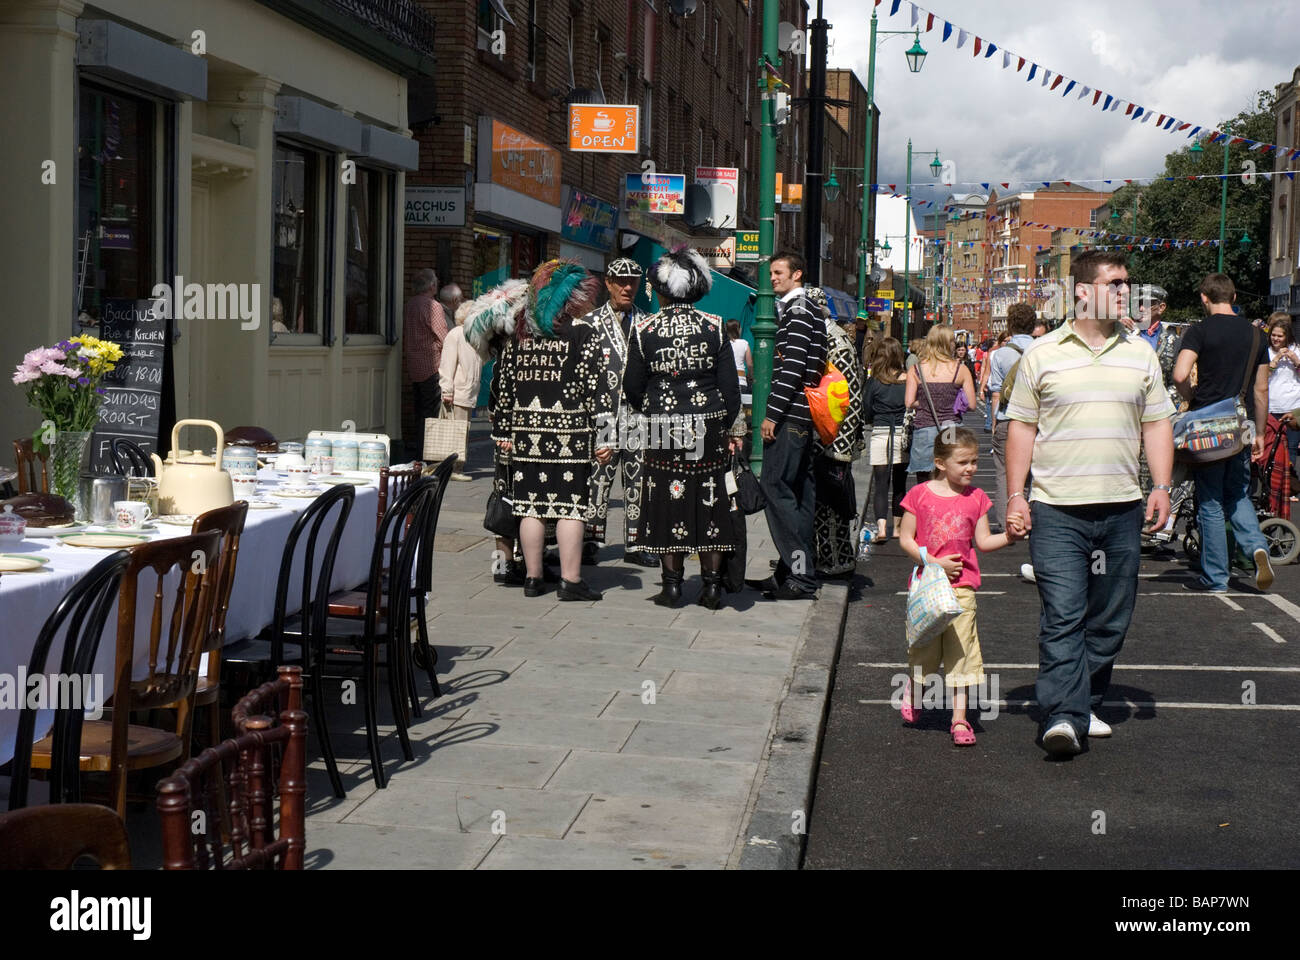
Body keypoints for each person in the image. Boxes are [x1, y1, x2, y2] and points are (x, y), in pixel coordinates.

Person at [1004, 249, 1175, 756]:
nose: (1126, 292)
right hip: (1057, 509)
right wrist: (1016, 495)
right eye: (1116, 283)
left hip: (1121, 507)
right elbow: (1022, 428)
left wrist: (1161, 486)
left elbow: (1157, 422)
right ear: (1082, 291)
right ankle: (1062, 715)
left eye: (1127, 283)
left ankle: (1086, 699)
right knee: (1063, 613)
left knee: (1110, 618)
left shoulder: (1140, 353)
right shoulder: (1043, 353)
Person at [623, 246, 744, 609]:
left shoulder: (644, 328)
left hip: (663, 427)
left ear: (661, 290)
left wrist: (650, 409)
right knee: (710, 501)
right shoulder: (716, 326)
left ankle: (672, 586)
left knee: (666, 500)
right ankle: (710, 588)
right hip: (706, 426)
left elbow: (632, 385)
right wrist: (726, 426)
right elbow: (730, 390)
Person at [491, 260, 616, 601]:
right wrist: (606, 437)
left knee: (530, 506)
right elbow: (598, 390)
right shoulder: (582, 335)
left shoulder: (520, 338)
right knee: (569, 507)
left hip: (524, 435)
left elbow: (504, 387)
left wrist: (502, 432)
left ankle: (532, 579)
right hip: (570, 438)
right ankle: (570, 581)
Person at [898, 427, 1019, 745]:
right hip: (927, 586)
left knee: (961, 652)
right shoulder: (920, 495)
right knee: (925, 646)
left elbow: (982, 541)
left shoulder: (976, 499)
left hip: (963, 587)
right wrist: (932, 562)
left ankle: (960, 720)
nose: (971, 468)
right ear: (940, 462)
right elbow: (905, 538)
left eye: (975, 461)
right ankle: (916, 686)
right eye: (963, 462)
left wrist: (1008, 537)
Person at [1172, 274, 1274, 593]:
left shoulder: (1199, 331)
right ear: (1232, 297)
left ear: (1205, 298)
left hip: (1207, 424)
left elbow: (1179, 373)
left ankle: (1216, 576)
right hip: (1240, 423)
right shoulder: (1257, 336)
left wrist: (1189, 393)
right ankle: (1257, 546)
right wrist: (1259, 432)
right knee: (1238, 493)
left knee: (1211, 500)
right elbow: (1260, 390)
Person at [752, 252, 828, 600]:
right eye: (770, 273)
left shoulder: (797, 311)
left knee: (775, 487)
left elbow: (793, 367)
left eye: (779, 272)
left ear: (797, 274)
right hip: (803, 417)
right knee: (798, 496)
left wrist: (772, 414)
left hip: (791, 416)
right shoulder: (809, 310)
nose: (773, 279)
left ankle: (800, 574)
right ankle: (791, 571)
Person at [575, 258, 657, 568]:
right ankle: (590, 540)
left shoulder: (648, 323)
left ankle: (636, 544)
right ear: (608, 282)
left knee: (639, 480)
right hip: (604, 416)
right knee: (597, 480)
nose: (626, 287)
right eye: (620, 280)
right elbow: (581, 376)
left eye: (632, 281)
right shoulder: (589, 323)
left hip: (637, 416)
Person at [467, 278, 533, 586]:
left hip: (507, 432)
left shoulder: (507, 347)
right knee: (513, 498)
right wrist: (505, 431)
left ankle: (505, 564)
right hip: (515, 434)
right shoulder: (519, 348)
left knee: (505, 496)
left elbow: (497, 393)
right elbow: (504, 392)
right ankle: (510, 564)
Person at [806, 288, 866, 577]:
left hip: (831, 441)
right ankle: (829, 557)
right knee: (825, 503)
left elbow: (849, 396)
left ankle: (836, 561)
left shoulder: (835, 341)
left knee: (831, 505)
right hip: (824, 438)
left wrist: (838, 445)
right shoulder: (827, 336)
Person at [905, 325, 975, 489]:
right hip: (950, 428)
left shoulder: (916, 370)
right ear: (948, 343)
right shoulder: (960, 369)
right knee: (949, 480)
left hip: (924, 428)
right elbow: (971, 404)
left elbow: (909, 402)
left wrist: (925, 403)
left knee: (924, 482)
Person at [987, 305, 1037, 532]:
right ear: (1033, 324)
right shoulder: (1042, 350)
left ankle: (1007, 522)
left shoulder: (1000, 354)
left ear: (1009, 324)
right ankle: (1032, 519)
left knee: (1003, 472)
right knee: (1035, 473)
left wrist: (995, 422)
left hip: (1007, 418)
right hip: (1037, 420)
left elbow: (996, 392)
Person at [863, 336, 909, 541]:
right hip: (902, 434)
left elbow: (866, 408)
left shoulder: (874, 381)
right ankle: (898, 529)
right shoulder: (907, 379)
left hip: (881, 432)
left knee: (881, 483)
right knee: (900, 483)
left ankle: (881, 529)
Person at [403, 268, 448, 459]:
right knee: (432, 413)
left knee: (419, 412)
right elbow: (443, 335)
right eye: (436, 281)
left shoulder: (410, 304)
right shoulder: (433, 306)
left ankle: (420, 453)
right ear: (431, 285)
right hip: (432, 365)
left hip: (414, 365)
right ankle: (430, 455)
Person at [437, 299, 484, 481]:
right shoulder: (456, 334)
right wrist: (447, 390)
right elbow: (447, 364)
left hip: (468, 390)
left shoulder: (473, 335)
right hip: (458, 391)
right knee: (456, 430)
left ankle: (457, 466)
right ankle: (454, 468)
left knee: (462, 429)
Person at [1265, 313, 1300, 509]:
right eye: (1274, 335)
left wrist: (1296, 360)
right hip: (1271, 406)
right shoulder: (1266, 352)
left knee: (1291, 448)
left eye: (1280, 336)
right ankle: (1271, 483)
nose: (1276, 339)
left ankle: (1290, 487)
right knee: (1270, 448)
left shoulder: (1296, 350)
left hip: (1293, 406)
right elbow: (1261, 377)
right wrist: (1275, 361)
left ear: (1287, 336)